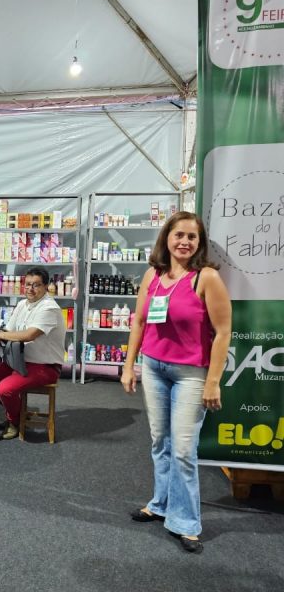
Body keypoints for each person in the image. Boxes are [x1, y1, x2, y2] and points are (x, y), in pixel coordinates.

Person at [120, 211, 231, 554]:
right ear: (166, 238)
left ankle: (185, 522)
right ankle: (161, 503)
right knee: (160, 441)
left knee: (183, 450)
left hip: (190, 374)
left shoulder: (206, 278)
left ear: (199, 242)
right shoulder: (153, 274)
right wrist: (129, 365)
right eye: (178, 235)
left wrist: (213, 381)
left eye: (192, 237)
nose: (184, 242)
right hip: (154, 368)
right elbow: (139, 322)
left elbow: (223, 332)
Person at [0, 267, 66, 440]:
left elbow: (29, 335)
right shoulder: (22, 304)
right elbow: (9, 330)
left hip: (45, 366)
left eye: (36, 285)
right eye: (27, 284)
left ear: (46, 286)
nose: (30, 289)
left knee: (5, 389)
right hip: (19, 360)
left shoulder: (49, 308)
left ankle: (14, 421)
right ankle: (19, 413)